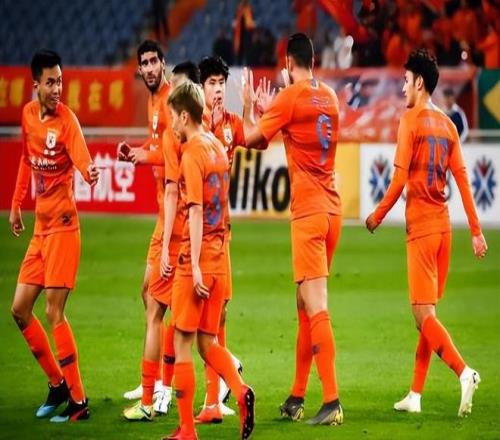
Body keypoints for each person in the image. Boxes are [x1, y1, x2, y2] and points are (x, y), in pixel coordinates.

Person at [365, 49, 487, 417]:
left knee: (423, 316)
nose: (403, 87)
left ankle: (464, 372)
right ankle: (415, 395)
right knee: (427, 315)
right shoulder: (448, 125)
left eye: (406, 81)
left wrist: (376, 216)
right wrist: (476, 232)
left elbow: (398, 180)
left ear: (419, 82)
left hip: (421, 229)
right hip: (444, 231)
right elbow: (463, 180)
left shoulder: (410, 121)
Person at [242, 33, 344, 426]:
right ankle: (297, 396)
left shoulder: (289, 97)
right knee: (304, 304)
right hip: (332, 211)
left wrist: (250, 109)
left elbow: (253, 140)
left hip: (309, 213)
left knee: (316, 305)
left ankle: (332, 401)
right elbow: (298, 129)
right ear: (313, 60)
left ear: (287, 62)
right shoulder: (329, 97)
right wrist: (274, 113)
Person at [9, 49, 99, 422]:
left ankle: (78, 400)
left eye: (60, 81)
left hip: (63, 226)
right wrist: (16, 204)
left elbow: (83, 158)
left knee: (53, 311)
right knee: (19, 310)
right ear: (36, 84)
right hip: (40, 230)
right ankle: (57, 384)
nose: (57, 88)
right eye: (50, 82)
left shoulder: (67, 121)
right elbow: (26, 160)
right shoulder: (28, 116)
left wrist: (90, 172)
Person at [163, 81, 255, 440]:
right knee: (207, 342)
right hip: (221, 256)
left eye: (173, 116)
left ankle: (187, 429)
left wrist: (196, 265)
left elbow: (197, 210)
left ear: (185, 116)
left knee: (182, 343)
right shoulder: (218, 146)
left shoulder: (191, 154)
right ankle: (240, 389)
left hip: (196, 261)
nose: (172, 123)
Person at [118, 39, 174, 416]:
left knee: (161, 306)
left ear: (163, 64)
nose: (150, 68)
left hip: (173, 214)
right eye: (145, 63)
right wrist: (137, 150)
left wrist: (143, 155)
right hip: (161, 215)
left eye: (155, 61)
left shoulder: (169, 101)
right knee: (148, 295)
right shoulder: (153, 102)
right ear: (139, 69)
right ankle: (153, 378)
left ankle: (159, 387)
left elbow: (171, 153)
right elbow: (156, 143)